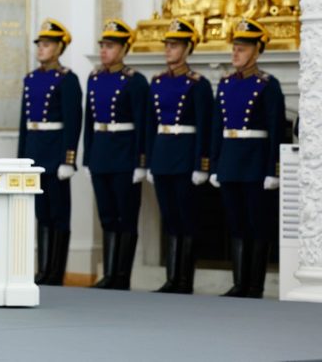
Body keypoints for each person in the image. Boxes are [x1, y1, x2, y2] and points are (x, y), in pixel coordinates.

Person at [209, 18, 284, 298]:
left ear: (256, 51)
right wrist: (215, 164)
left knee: (257, 224)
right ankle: (239, 283)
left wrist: (273, 170)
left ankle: (255, 286)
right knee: (236, 224)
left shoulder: (267, 85)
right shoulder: (225, 84)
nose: (235, 53)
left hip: (255, 163)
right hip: (230, 161)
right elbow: (217, 127)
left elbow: (276, 130)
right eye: (234, 48)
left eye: (241, 49)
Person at [144, 18, 214, 294]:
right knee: (170, 219)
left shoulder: (198, 84)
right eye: (167, 45)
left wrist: (202, 164)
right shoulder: (157, 82)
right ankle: (172, 278)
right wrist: (150, 161)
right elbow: (151, 125)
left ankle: (185, 280)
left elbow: (205, 127)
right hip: (163, 156)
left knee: (187, 219)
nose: (168, 50)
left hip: (186, 157)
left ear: (187, 49)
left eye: (174, 46)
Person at [84, 19, 148, 290]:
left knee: (126, 217)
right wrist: (87, 157)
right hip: (101, 154)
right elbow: (89, 120)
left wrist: (141, 161)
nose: (104, 50)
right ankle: (109, 273)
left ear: (124, 49)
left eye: (110, 46)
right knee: (107, 216)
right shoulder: (95, 78)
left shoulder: (135, 81)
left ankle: (122, 276)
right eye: (103, 45)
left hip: (124, 156)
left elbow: (143, 123)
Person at [17, 19, 82, 286]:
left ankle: (56, 272)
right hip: (35, 151)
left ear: (58, 48)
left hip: (55, 154)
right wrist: (21, 159)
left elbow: (73, 121)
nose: (41, 49)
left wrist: (68, 159)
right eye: (40, 44)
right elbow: (24, 123)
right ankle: (43, 269)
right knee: (41, 213)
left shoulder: (67, 80)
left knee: (58, 214)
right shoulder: (31, 79)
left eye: (46, 44)